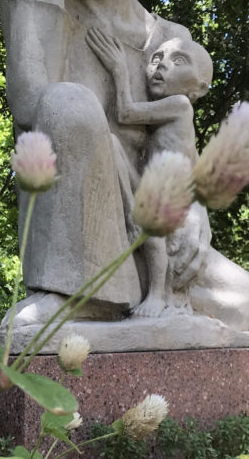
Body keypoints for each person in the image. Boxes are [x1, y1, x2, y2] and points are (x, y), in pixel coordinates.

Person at [0, 0, 249, 335]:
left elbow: (177, 139)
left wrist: (194, 208)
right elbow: (30, 105)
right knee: (65, 103)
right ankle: (73, 293)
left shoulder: (172, 41)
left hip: (151, 227)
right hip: (82, 232)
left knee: (242, 300)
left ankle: (132, 306)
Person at [85, 28, 214, 317]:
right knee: (111, 146)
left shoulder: (180, 105)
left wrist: (119, 69)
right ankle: (131, 213)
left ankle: (157, 295)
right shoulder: (171, 111)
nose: (162, 65)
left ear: (199, 89)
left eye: (178, 61)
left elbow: (126, 113)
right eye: (157, 58)